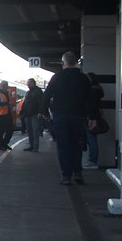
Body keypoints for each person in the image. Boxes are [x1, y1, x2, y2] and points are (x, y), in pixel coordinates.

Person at [41, 52, 99, 185]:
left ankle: (66, 176)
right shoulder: (83, 78)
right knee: (76, 144)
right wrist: (93, 117)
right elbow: (90, 99)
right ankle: (77, 172)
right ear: (75, 63)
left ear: (63, 63)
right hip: (78, 116)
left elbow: (46, 96)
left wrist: (45, 112)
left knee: (63, 146)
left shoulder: (57, 77)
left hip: (60, 117)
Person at [84, 72, 104, 167]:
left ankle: (92, 161)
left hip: (91, 117)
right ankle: (92, 160)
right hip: (95, 116)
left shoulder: (92, 91)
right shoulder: (97, 90)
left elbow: (91, 105)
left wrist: (90, 117)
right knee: (92, 138)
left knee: (91, 139)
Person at [20, 78, 44, 152]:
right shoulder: (28, 92)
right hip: (27, 114)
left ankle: (35, 147)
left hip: (35, 114)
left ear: (33, 83)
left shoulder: (38, 91)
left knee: (35, 131)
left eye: (29, 83)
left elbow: (41, 103)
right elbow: (25, 103)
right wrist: (22, 112)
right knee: (30, 131)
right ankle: (31, 146)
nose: (27, 84)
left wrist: (40, 112)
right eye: (27, 83)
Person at [0, 80, 15, 150]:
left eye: (7, 85)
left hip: (8, 113)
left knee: (10, 129)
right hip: (1, 114)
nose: (6, 87)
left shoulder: (7, 92)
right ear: (2, 86)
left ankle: (5, 143)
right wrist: (7, 104)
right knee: (1, 131)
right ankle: (1, 146)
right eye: (5, 85)